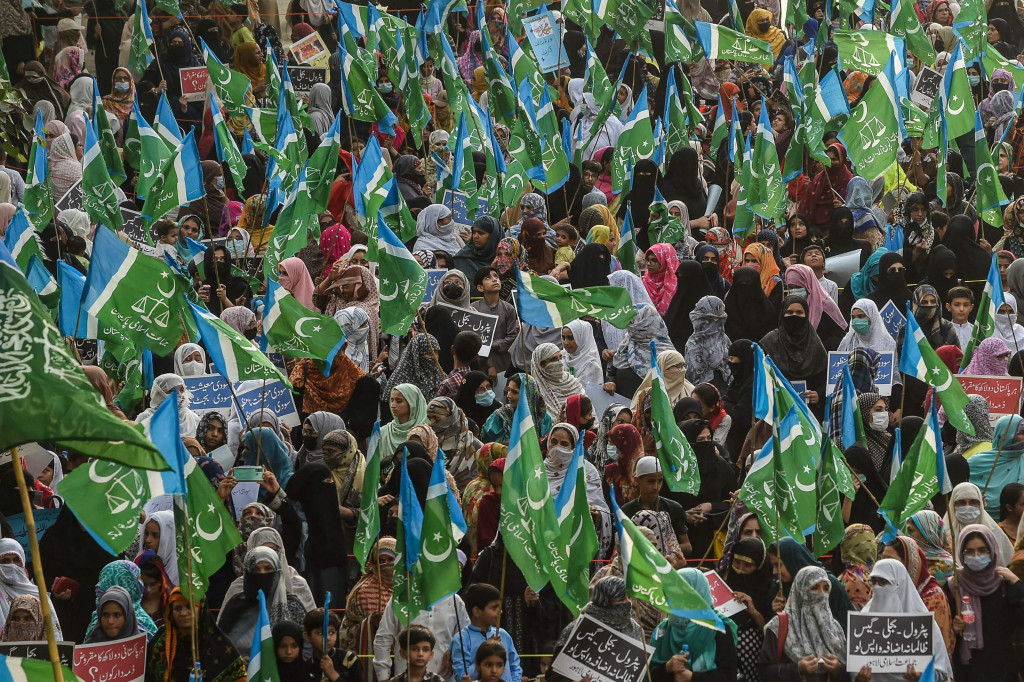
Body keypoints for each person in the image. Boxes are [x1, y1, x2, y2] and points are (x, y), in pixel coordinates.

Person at [951, 524, 1024, 681]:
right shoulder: (954, 586)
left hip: (1002, 670)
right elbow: (941, 631)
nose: (976, 556)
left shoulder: (1003, 583)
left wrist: (1017, 583)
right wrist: (954, 629)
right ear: (961, 553)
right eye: (969, 551)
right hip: (968, 671)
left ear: (992, 550)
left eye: (982, 550)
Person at [758, 566, 852, 682]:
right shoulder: (779, 625)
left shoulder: (835, 628)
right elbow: (764, 670)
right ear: (801, 590)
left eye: (826, 588)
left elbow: (848, 674)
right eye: (815, 588)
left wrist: (837, 669)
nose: (821, 593)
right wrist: (797, 669)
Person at [146, 588, 246, 682]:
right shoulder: (161, 640)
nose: (183, 613)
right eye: (177, 608)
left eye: (189, 607)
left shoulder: (221, 646)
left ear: (201, 609)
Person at [619, 457, 692, 559]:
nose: (656, 487)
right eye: (651, 481)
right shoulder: (626, 511)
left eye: (660, 481)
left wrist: (663, 550)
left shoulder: (673, 508)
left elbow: (687, 546)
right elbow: (620, 546)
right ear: (637, 480)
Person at [451, 583, 522, 682]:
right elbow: (462, 676)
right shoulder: (462, 639)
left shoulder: (503, 634)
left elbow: (515, 666)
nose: (500, 611)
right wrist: (485, 649)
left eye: (500, 607)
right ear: (477, 611)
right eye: (494, 608)